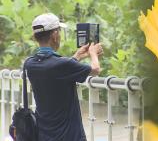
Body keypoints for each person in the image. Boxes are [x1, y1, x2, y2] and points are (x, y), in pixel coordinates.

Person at [25, 13, 103, 141]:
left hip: (43, 135)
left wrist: (76, 57)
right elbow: (95, 69)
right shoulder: (62, 64)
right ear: (55, 35)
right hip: (69, 135)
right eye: (59, 32)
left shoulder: (30, 63)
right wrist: (93, 54)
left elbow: (56, 70)